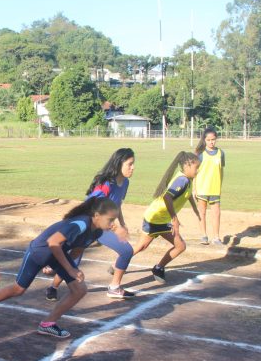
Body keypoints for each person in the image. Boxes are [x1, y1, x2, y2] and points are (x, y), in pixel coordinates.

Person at [0, 197, 120, 339]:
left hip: (57, 253)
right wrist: (69, 269)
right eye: (111, 219)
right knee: (19, 289)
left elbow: (77, 250)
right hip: (40, 251)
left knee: (80, 289)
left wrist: (66, 268)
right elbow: (53, 242)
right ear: (96, 215)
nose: (113, 224)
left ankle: (48, 323)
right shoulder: (80, 224)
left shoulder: (97, 231)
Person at [45, 148, 136, 301]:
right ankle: (53, 287)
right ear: (119, 164)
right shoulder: (106, 183)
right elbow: (91, 205)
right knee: (74, 258)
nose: (133, 168)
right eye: (130, 164)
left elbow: (117, 205)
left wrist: (122, 223)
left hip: (104, 227)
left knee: (126, 251)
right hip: (90, 225)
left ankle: (114, 287)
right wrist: (113, 227)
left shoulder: (125, 182)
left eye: (133, 164)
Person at [132, 152, 201, 284]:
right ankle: (119, 263)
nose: (197, 171)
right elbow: (167, 197)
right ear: (187, 166)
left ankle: (158, 268)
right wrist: (174, 219)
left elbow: (187, 195)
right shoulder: (183, 180)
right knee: (142, 246)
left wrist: (194, 208)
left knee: (180, 246)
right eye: (196, 168)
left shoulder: (188, 179)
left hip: (162, 219)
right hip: (155, 217)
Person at [194, 127, 225, 245]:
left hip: (215, 188)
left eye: (213, 139)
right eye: (208, 140)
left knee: (216, 213)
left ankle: (216, 237)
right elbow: (195, 172)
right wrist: (194, 188)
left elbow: (221, 171)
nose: (211, 142)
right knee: (202, 212)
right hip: (202, 188)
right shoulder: (200, 154)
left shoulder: (221, 153)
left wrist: (220, 186)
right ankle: (203, 235)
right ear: (204, 140)